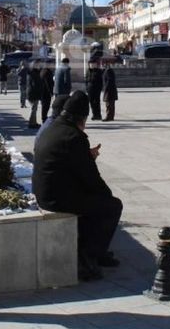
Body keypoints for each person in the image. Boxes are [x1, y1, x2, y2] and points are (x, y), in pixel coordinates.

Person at [33, 91, 123, 282]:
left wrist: (86, 156)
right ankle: (88, 257)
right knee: (112, 206)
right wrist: (107, 195)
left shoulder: (53, 128)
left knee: (94, 203)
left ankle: (96, 252)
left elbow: (72, 163)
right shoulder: (74, 137)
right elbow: (91, 177)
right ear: (81, 118)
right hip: (56, 198)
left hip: (45, 192)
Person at [26, 60, 46, 129]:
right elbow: (35, 84)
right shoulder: (33, 73)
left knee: (34, 109)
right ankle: (31, 123)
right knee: (33, 109)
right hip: (33, 93)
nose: (39, 66)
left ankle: (34, 122)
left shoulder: (33, 72)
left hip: (33, 93)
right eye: (38, 65)